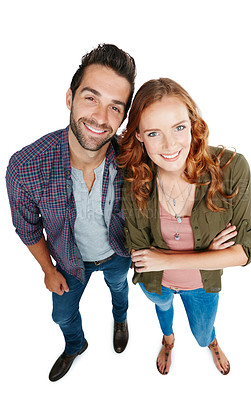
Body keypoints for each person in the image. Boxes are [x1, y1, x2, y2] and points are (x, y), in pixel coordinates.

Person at [6, 44, 136, 381]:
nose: (100, 117)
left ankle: (119, 318)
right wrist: (48, 269)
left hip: (117, 253)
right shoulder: (25, 167)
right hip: (68, 262)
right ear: (70, 98)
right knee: (61, 316)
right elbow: (29, 229)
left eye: (115, 107)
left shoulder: (133, 160)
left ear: (123, 118)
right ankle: (76, 344)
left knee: (120, 289)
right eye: (91, 98)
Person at [118, 78, 251, 375]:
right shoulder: (135, 180)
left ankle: (212, 342)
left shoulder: (232, 168)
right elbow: (141, 256)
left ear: (193, 123)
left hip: (201, 286)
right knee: (163, 311)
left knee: (202, 332)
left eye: (179, 127)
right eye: (154, 133)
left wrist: (166, 258)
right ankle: (167, 341)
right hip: (157, 283)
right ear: (140, 136)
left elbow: (244, 253)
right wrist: (209, 252)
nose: (170, 145)